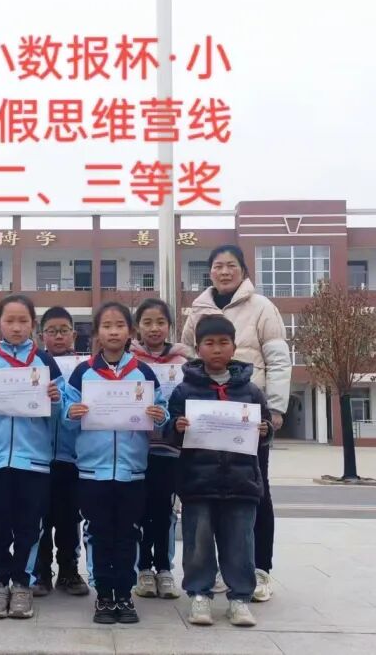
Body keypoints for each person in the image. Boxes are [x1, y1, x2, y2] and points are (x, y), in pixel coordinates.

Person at [180, 244, 290, 603]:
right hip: (206, 416)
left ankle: (259, 568)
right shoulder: (198, 309)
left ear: (243, 270)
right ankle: (212, 573)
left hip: (247, 414)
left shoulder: (262, 307)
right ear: (209, 271)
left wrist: (275, 408)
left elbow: (278, 358)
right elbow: (186, 355)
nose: (224, 272)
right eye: (217, 266)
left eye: (231, 265)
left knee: (255, 490)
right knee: (206, 491)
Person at [64, 302, 169, 625]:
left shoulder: (143, 373)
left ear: (130, 332)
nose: (113, 332)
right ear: (96, 333)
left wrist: (160, 416)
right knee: (98, 533)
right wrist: (71, 413)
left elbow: (162, 411)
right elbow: (65, 416)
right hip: (92, 472)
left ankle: (124, 593)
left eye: (120, 325)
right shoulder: (83, 372)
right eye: (106, 326)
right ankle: (104, 595)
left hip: (132, 472)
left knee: (128, 533)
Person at [0, 294, 64, 620]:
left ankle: (22, 583)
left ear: (33, 325)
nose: (17, 327)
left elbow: (60, 415)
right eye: (10, 321)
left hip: (33, 460)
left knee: (28, 525)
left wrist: (55, 399)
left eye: (23, 321)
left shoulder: (45, 363)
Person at [170, 314, 273, 627]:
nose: (217, 349)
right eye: (209, 343)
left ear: (234, 347)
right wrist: (176, 427)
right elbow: (170, 434)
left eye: (223, 343)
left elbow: (266, 430)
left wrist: (265, 430)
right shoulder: (184, 391)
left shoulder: (251, 392)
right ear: (198, 348)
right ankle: (199, 595)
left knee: (240, 544)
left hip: (241, 483)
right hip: (198, 482)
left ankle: (240, 599)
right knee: (198, 543)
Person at [127, 297, 193, 600]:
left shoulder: (185, 363)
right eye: (147, 322)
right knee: (139, 511)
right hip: (137, 447)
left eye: (161, 322)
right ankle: (143, 569)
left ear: (170, 326)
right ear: (137, 327)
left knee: (165, 511)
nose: (154, 328)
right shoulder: (128, 362)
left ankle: (165, 568)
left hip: (169, 450)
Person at [33, 307, 89, 598]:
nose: (58, 336)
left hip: (72, 455)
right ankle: (41, 572)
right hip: (39, 454)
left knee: (69, 518)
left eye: (63, 330)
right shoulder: (32, 365)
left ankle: (69, 570)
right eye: (51, 331)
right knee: (39, 516)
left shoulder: (86, 367)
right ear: (41, 335)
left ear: (74, 334)